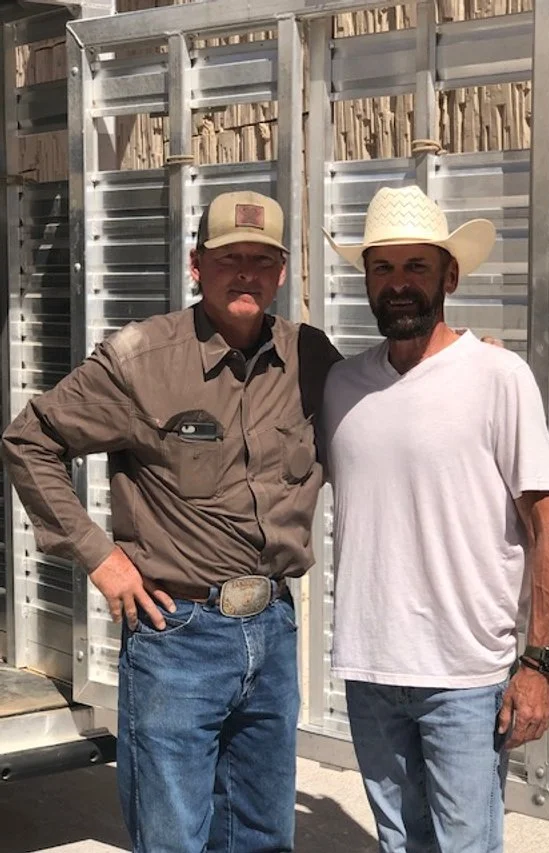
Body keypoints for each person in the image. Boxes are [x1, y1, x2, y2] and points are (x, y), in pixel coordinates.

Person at [1, 190, 342, 853]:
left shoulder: (312, 359)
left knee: (264, 835)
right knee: (173, 838)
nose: (245, 273)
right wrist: (100, 555)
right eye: (228, 258)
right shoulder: (141, 361)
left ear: (281, 270)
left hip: (272, 631)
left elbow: (388, 403)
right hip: (177, 635)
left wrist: (461, 363)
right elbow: (29, 439)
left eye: (261, 259)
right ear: (196, 263)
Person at [322, 184, 549, 853]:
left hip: (465, 677)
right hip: (371, 671)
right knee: (400, 843)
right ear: (366, 280)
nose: (398, 284)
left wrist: (539, 663)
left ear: (449, 275)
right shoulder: (340, 387)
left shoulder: (497, 375)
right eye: (383, 268)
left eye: (416, 267)